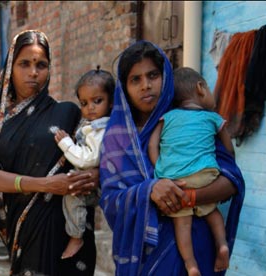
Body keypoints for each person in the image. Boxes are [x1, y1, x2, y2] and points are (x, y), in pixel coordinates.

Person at [99, 41, 245, 275]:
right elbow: (110, 200)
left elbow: (230, 179)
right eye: (135, 80)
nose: (145, 86)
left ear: (165, 76)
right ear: (124, 88)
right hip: (147, 259)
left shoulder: (191, 123)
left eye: (153, 75)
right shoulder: (117, 139)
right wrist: (149, 191)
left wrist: (188, 197)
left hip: (198, 249)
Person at [0, 30, 99, 275]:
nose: (33, 73)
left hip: (63, 227)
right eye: (24, 64)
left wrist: (95, 176)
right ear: (11, 67)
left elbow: (94, 157)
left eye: (41, 65)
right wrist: (44, 185)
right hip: (23, 227)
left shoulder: (67, 113)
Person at [148, 67, 235, 275]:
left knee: (182, 224)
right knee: (212, 212)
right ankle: (222, 245)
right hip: (206, 174)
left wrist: (160, 170)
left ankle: (190, 264)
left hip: (176, 179)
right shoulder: (213, 117)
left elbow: (153, 145)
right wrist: (228, 161)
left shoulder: (167, 117)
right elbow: (229, 148)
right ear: (200, 88)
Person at [54, 66, 114, 259]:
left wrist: (66, 144)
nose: (90, 108)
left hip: (95, 184)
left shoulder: (101, 130)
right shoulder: (92, 126)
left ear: (111, 101)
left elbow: (88, 159)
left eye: (97, 101)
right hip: (92, 180)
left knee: (73, 196)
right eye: (84, 103)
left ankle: (76, 236)